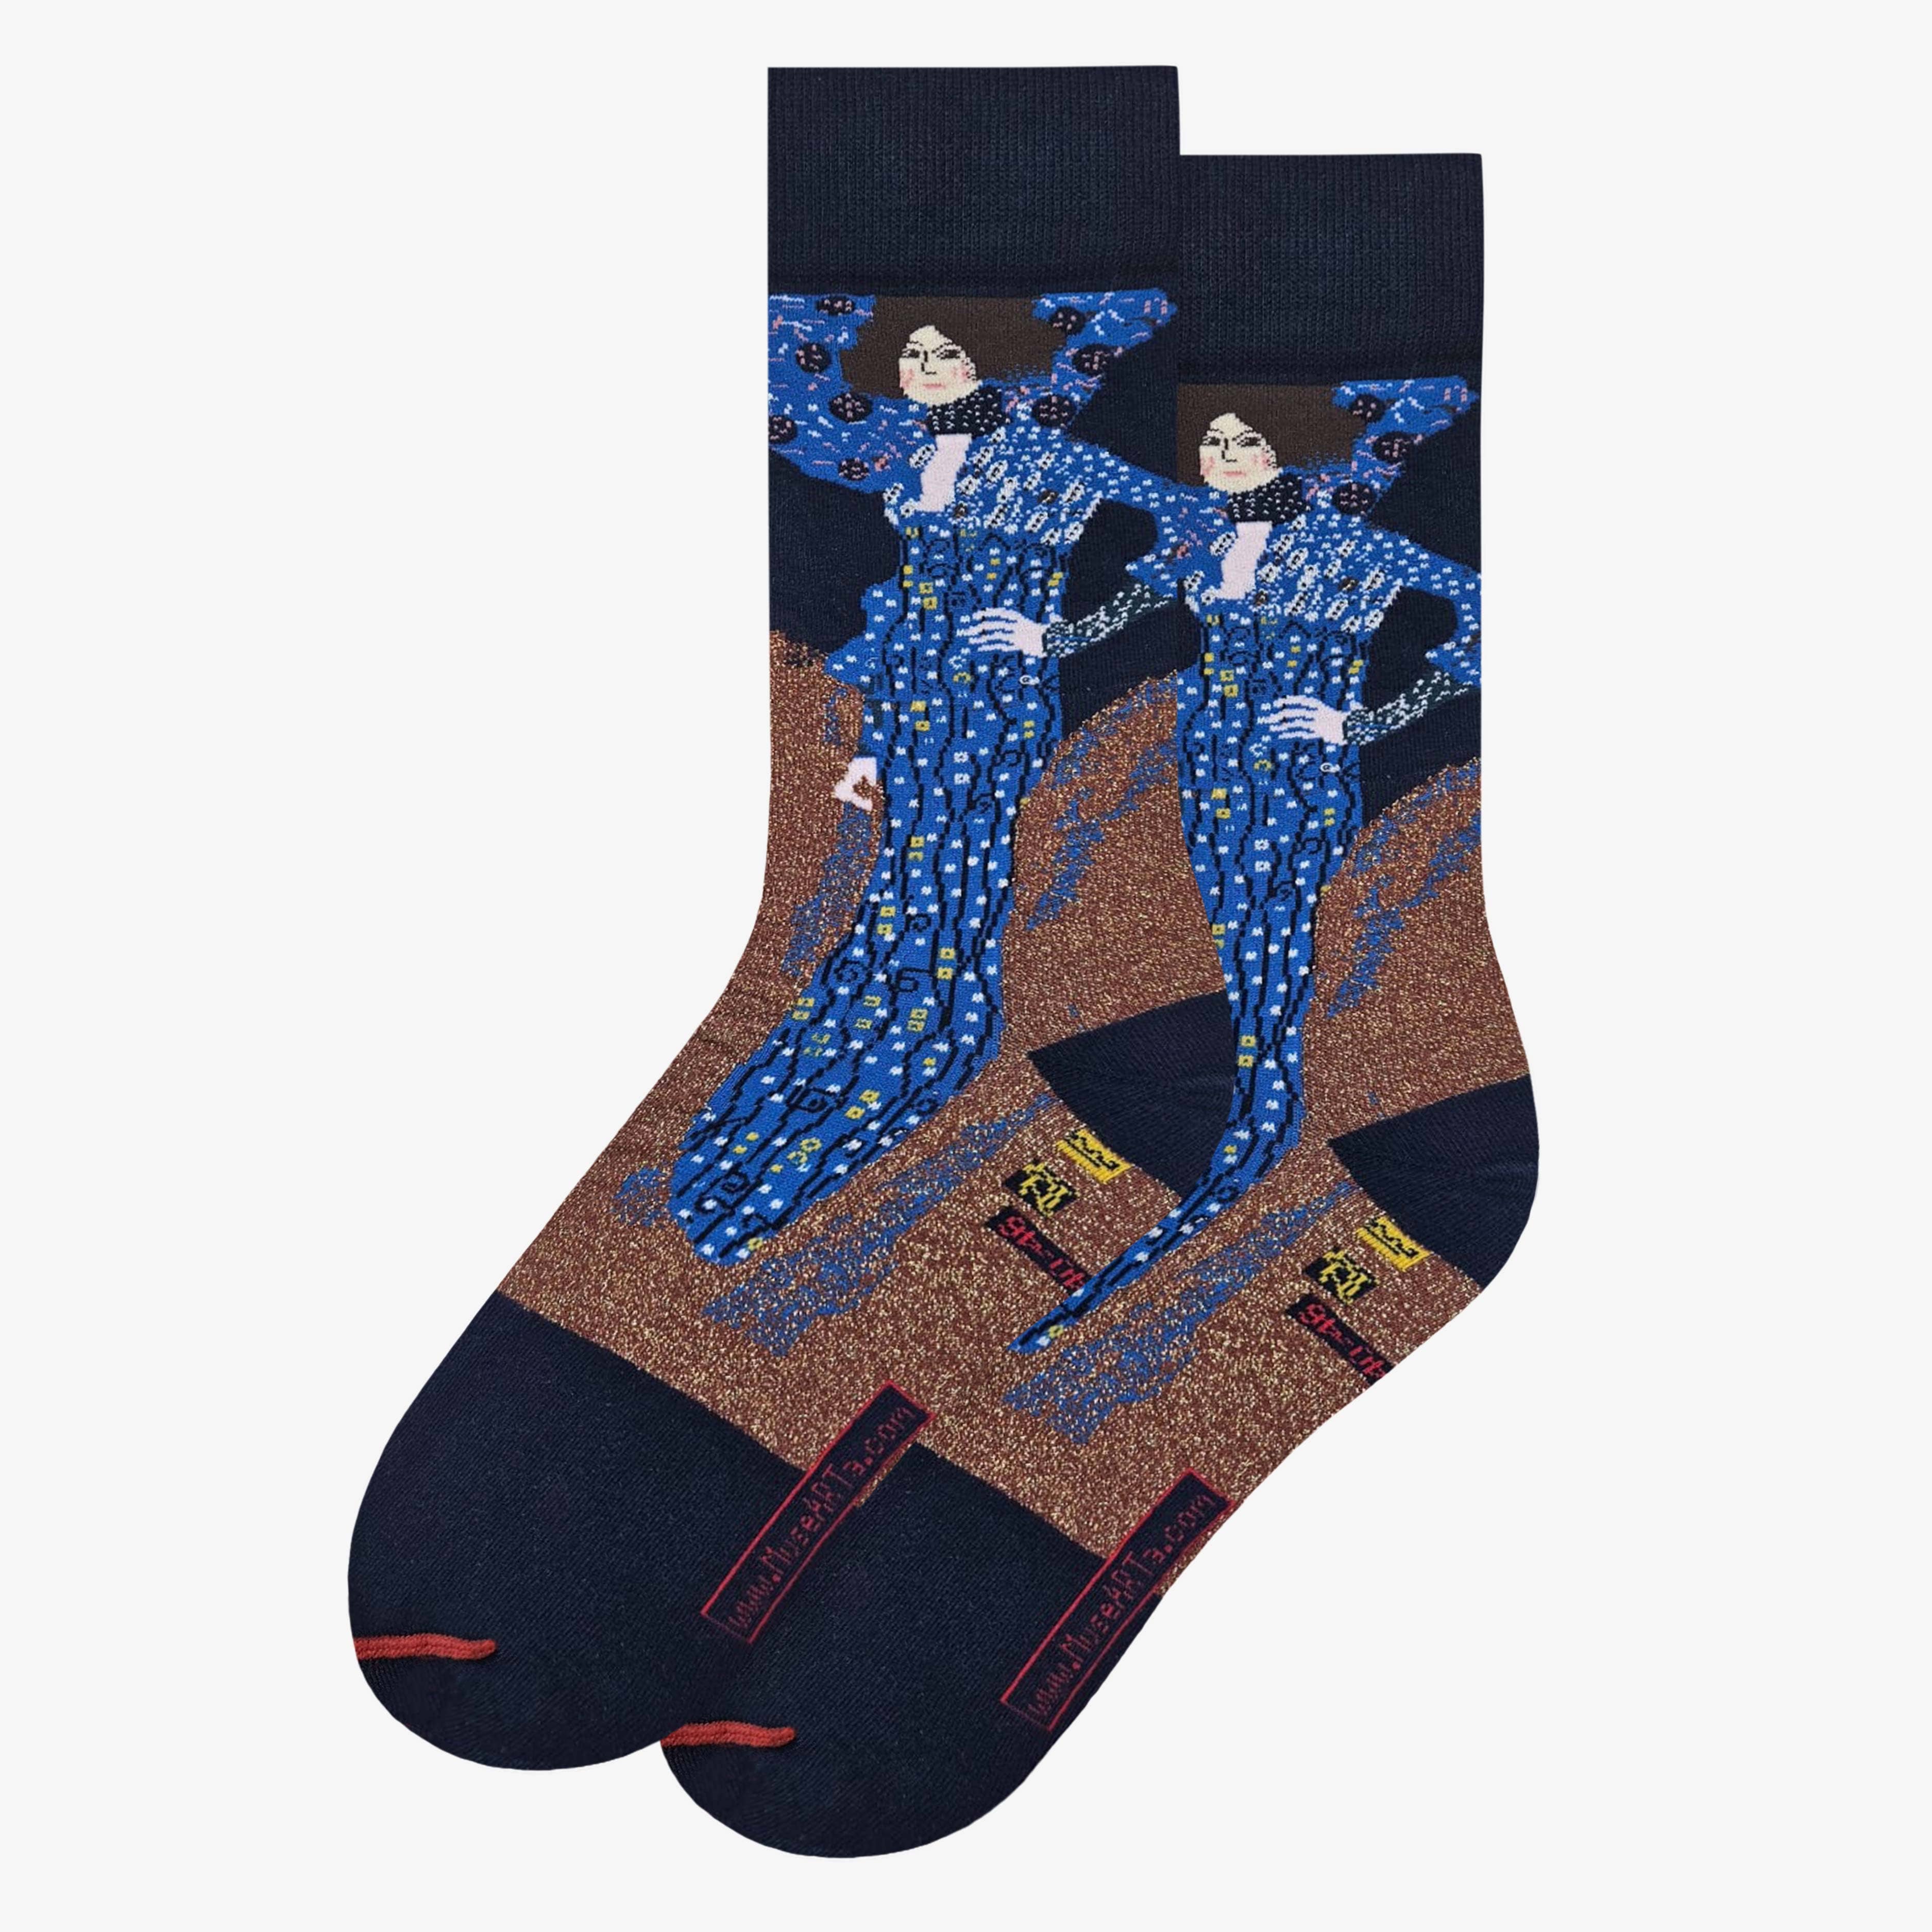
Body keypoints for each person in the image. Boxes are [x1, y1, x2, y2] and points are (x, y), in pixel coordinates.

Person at [672, 293, 1183, 1264]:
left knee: (949, 894)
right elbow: (907, 603)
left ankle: (933, 1039)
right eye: (910, 355)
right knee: (894, 893)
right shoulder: (915, 455)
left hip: (991, 701)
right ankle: (793, 1119)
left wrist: (1053, 635)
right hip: (909, 702)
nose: (921, 369)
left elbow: (1193, 533)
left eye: (943, 352)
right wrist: (871, 741)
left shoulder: (1047, 457)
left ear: (990, 359)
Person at [1009, 378, 1482, 1352]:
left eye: (1240, 444)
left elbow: (1479, 612)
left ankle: (1262, 1148)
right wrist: (1057, 637)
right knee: (1225, 968)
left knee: (1278, 974)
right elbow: (1142, 589)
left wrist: (1361, 724)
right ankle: (1238, 1152)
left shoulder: (1350, 547)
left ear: (1286, 453)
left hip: (1296, 787)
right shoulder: (1207, 533)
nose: (1218, 460)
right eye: (1211, 443)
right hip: (1208, 778)